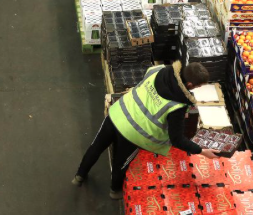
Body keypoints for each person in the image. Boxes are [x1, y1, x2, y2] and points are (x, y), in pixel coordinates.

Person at [72, 61, 218, 199]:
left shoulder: (158, 69)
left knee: (96, 147)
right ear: (190, 84)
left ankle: (79, 176)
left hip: (118, 112)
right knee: (120, 162)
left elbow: (146, 89)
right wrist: (202, 151)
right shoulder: (177, 106)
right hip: (133, 133)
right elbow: (177, 139)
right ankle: (114, 191)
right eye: (198, 87)